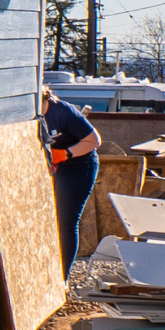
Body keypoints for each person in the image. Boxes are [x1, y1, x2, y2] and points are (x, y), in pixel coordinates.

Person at [43, 87, 103, 269]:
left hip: (79, 166)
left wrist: (64, 154)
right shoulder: (32, 115)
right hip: (56, 166)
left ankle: (63, 278)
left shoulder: (63, 111)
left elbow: (94, 140)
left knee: (66, 221)